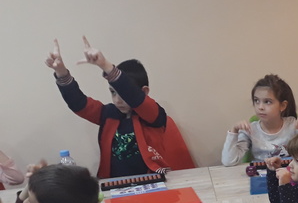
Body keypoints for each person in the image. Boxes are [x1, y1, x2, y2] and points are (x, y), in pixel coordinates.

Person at [47, 37, 194, 178]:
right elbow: (78, 103)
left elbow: (135, 97)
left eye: (123, 94)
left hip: (152, 180)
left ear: (144, 92)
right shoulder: (108, 114)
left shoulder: (154, 115)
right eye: (113, 92)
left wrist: (105, 66)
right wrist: (61, 73)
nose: (117, 100)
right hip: (116, 184)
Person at [221, 74, 298, 166]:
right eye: (256, 101)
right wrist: (234, 131)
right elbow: (228, 161)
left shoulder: (293, 126)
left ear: (283, 106)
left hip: (289, 173)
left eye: (267, 102)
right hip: (260, 175)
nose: (260, 107)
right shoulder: (250, 130)